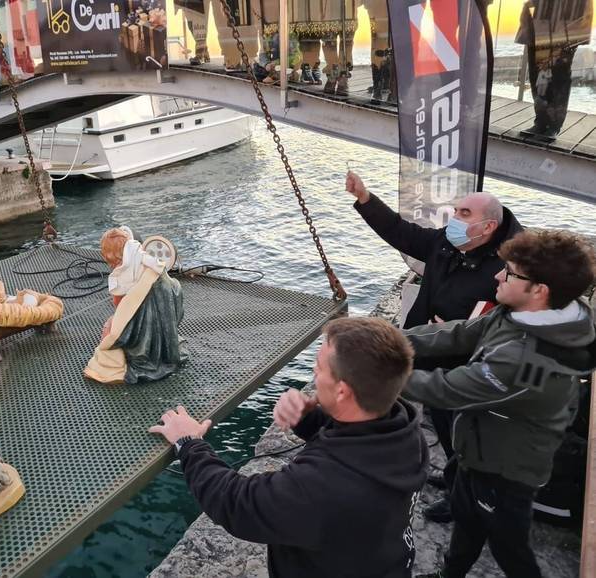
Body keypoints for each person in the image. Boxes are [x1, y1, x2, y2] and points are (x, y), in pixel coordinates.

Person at [150, 317, 428, 578]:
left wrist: (188, 444)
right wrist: (308, 417)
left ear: (342, 391)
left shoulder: (324, 487)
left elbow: (236, 503)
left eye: (318, 369)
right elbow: (354, 435)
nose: (313, 374)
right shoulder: (403, 431)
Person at [406, 229, 596, 578]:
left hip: (506, 470)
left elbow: (445, 390)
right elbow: (463, 332)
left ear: (539, 290)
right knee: (467, 521)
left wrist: (368, 369)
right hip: (478, 450)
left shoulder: (527, 361)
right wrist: (392, 339)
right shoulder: (521, 311)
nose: (497, 275)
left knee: (508, 547)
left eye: (508, 272)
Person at [345, 170, 523, 522]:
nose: (454, 219)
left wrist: (467, 331)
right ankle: (451, 472)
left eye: (464, 214)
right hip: (425, 347)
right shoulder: (447, 241)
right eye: (456, 211)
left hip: (464, 364)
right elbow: (403, 234)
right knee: (440, 424)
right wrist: (365, 198)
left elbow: (514, 321)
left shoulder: (510, 267)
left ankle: (462, 496)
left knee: (461, 431)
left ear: (487, 228)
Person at [84, 227, 188, 385]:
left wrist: (113, 324)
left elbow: (120, 305)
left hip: (147, 313)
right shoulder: (144, 256)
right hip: (166, 300)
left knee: (112, 337)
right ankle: (163, 351)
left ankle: (145, 354)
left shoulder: (123, 272)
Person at [516, 0, 593, 139]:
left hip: (568, 27)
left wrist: (580, 32)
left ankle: (554, 126)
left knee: (559, 77)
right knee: (538, 75)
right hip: (541, 23)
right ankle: (541, 121)